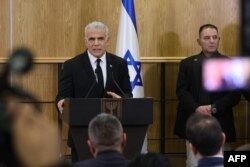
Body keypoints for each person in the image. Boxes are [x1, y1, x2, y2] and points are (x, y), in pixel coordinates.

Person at [56, 21, 133, 162]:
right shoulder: (72, 66)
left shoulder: (119, 64)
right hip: (81, 134)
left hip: (112, 135)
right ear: (85, 41)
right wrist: (61, 102)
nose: (96, 43)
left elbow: (128, 93)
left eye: (100, 38)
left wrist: (121, 98)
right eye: (91, 39)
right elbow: (62, 96)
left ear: (107, 40)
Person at [174, 24, 241, 167]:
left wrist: (214, 108)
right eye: (207, 38)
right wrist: (197, 108)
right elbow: (181, 91)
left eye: (215, 37)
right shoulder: (187, 64)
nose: (211, 41)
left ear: (219, 39)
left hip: (221, 122)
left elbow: (235, 95)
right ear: (199, 41)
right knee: (193, 163)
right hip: (194, 122)